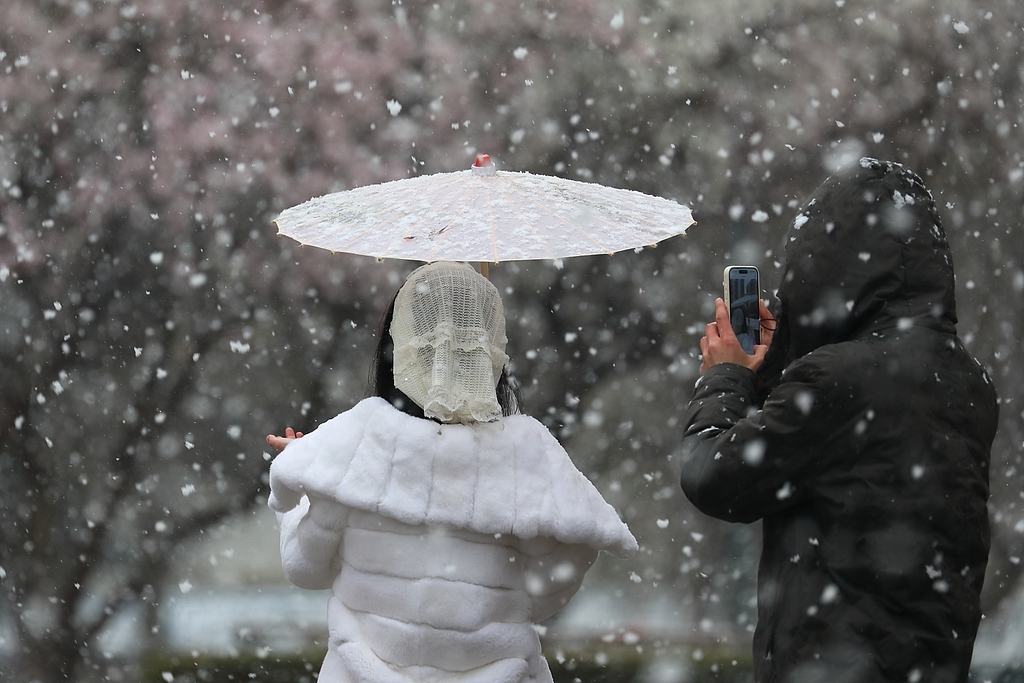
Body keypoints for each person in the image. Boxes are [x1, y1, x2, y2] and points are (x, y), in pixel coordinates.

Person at [678, 158, 998, 683]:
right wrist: (783, 363)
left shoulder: (840, 382)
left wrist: (727, 377)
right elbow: (852, 457)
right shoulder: (968, 383)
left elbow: (713, 476)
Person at [266, 261, 637, 683]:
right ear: (491, 348)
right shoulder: (524, 458)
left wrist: (310, 476)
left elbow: (305, 567)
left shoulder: (357, 447)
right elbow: (552, 588)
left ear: (397, 343)